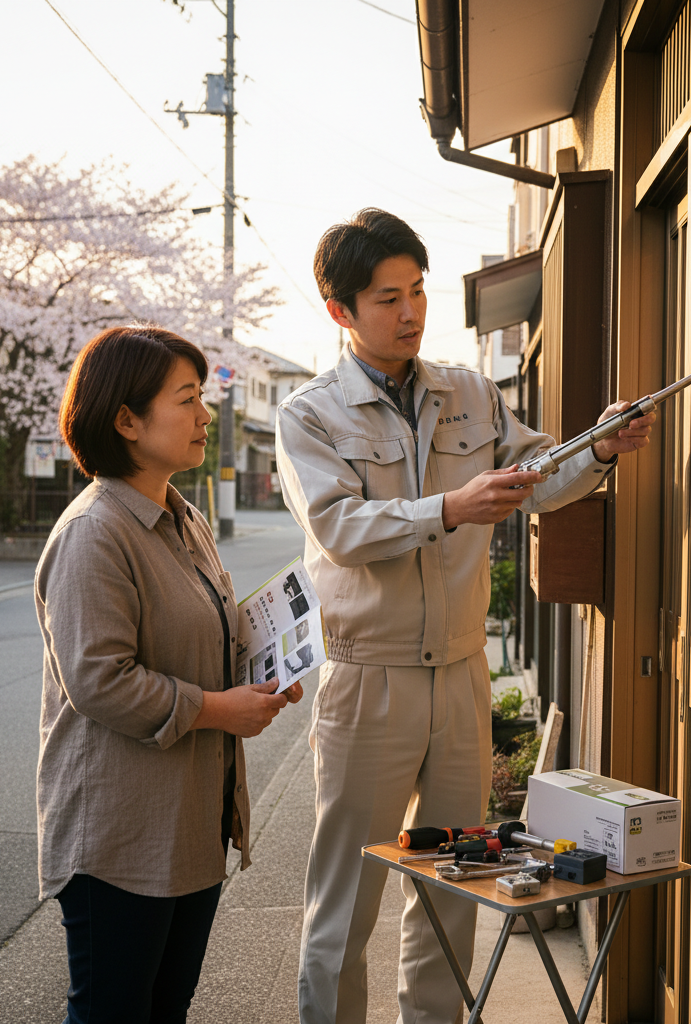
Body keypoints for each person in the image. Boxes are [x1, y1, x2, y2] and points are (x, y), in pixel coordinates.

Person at [274, 209, 655, 1024]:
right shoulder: (309, 414)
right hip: (367, 680)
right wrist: (450, 507)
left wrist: (598, 448)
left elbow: (538, 476)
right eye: (387, 299)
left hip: (461, 673)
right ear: (340, 310)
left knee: (453, 889)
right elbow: (337, 530)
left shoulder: (471, 392)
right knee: (345, 902)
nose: (410, 312)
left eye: (417, 291)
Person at [35, 323, 302, 1024]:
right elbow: (99, 680)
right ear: (126, 420)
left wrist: (269, 665)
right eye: (187, 399)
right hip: (120, 836)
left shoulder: (182, 517)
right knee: (113, 1013)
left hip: (188, 823)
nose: (205, 415)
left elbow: (207, 635)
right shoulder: (94, 532)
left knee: (166, 1008)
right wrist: (219, 709)